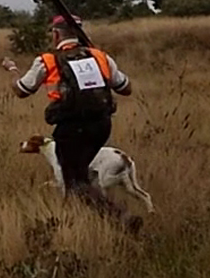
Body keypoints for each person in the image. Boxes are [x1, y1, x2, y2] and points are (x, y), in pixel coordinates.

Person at [13, 15, 134, 223]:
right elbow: (126, 88)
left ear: (56, 34)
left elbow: (22, 90)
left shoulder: (47, 61)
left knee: (74, 183)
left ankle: (119, 218)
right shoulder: (100, 57)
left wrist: (13, 73)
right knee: (81, 173)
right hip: (102, 126)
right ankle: (87, 221)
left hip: (71, 129)